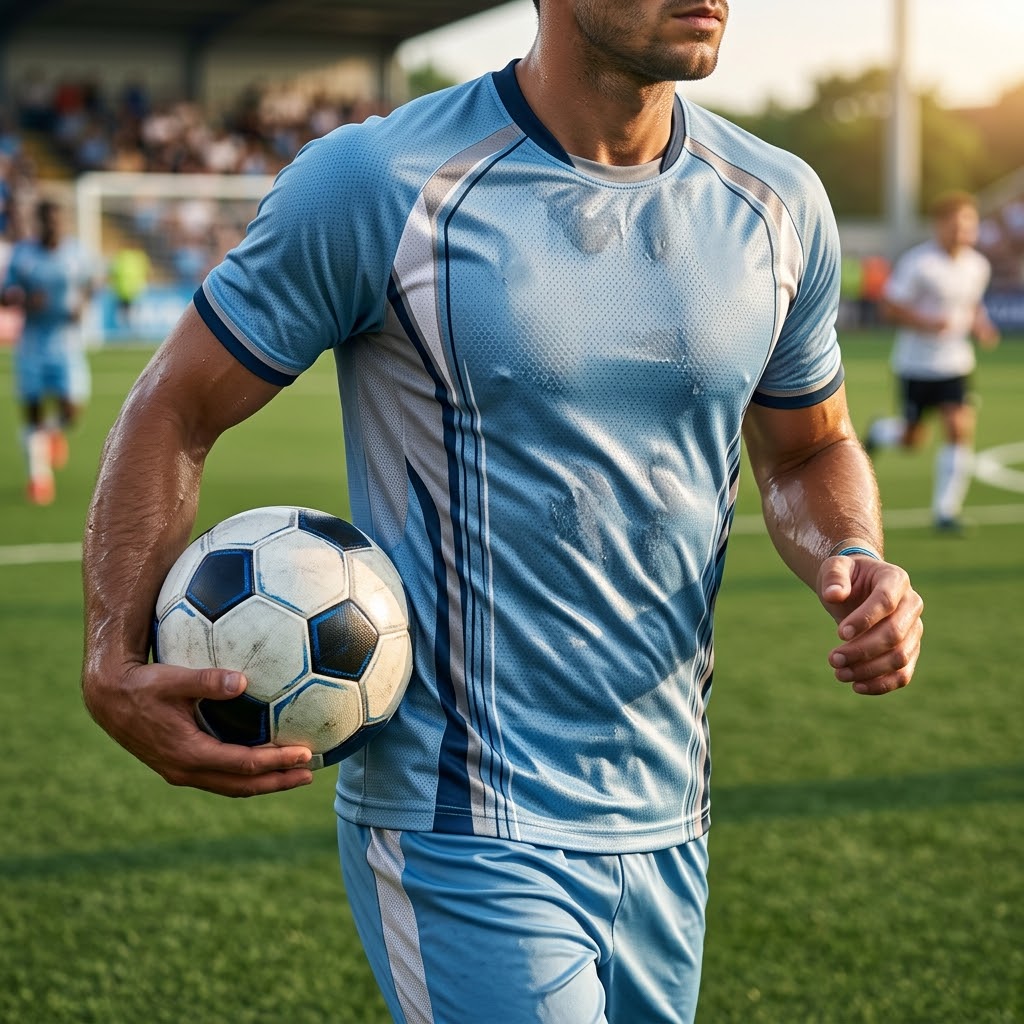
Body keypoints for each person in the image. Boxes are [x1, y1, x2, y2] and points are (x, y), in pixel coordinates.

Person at [80, 2, 925, 1021]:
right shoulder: (376, 183)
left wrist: (852, 550)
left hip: (668, 812)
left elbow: (808, 446)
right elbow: (174, 404)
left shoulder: (779, 202)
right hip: (458, 817)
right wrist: (112, 649)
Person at [864, 191, 1000, 532]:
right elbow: (889, 307)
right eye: (955, 225)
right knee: (913, 439)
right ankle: (882, 432)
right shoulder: (919, 263)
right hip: (916, 365)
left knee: (958, 427)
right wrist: (925, 323)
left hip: (956, 364)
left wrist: (982, 325)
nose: (962, 232)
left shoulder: (977, 265)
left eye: (968, 226)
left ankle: (945, 511)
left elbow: (971, 304)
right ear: (939, 226)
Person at [2, 198, 97, 504]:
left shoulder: (76, 254)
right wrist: (24, 301)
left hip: (65, 341)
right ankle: (38, 480)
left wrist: (82, 304)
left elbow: (92, 282)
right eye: (48, 222)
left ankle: (51, 435)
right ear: (39, 224)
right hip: (32, 341)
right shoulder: (23, 255)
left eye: (58, 221)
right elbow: (5, 294)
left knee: (71, 410)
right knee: (33, 410)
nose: (54, 227)